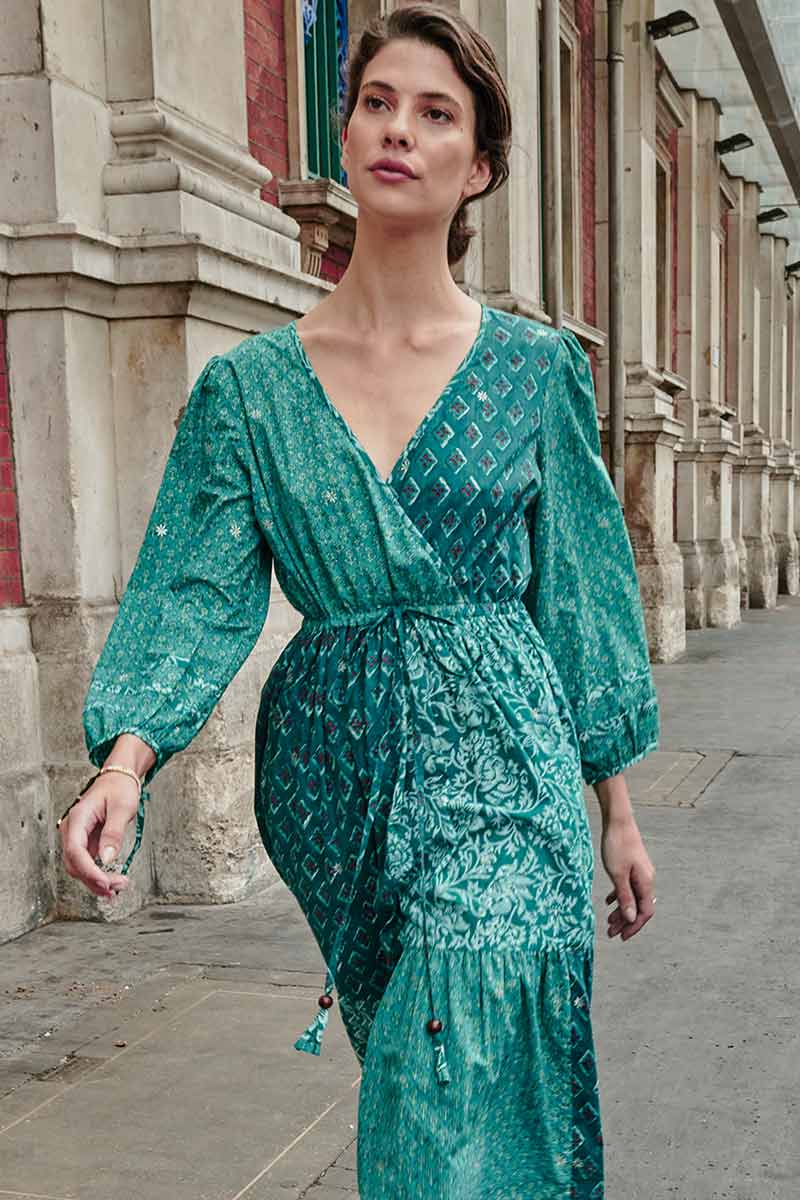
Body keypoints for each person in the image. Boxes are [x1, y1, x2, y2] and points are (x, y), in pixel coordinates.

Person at [58, 5, 659, 1196]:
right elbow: (194, 588)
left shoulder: (534, 371)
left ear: (476, 166)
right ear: (343, 134)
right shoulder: (249, 392)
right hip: (337, 782)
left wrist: (617, 810)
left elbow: (581, 599)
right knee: (423, 1078)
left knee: (461, 1045)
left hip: (508, 772)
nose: (397, 130)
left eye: (434, 114)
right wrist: (123, 766)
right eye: (376, 103)